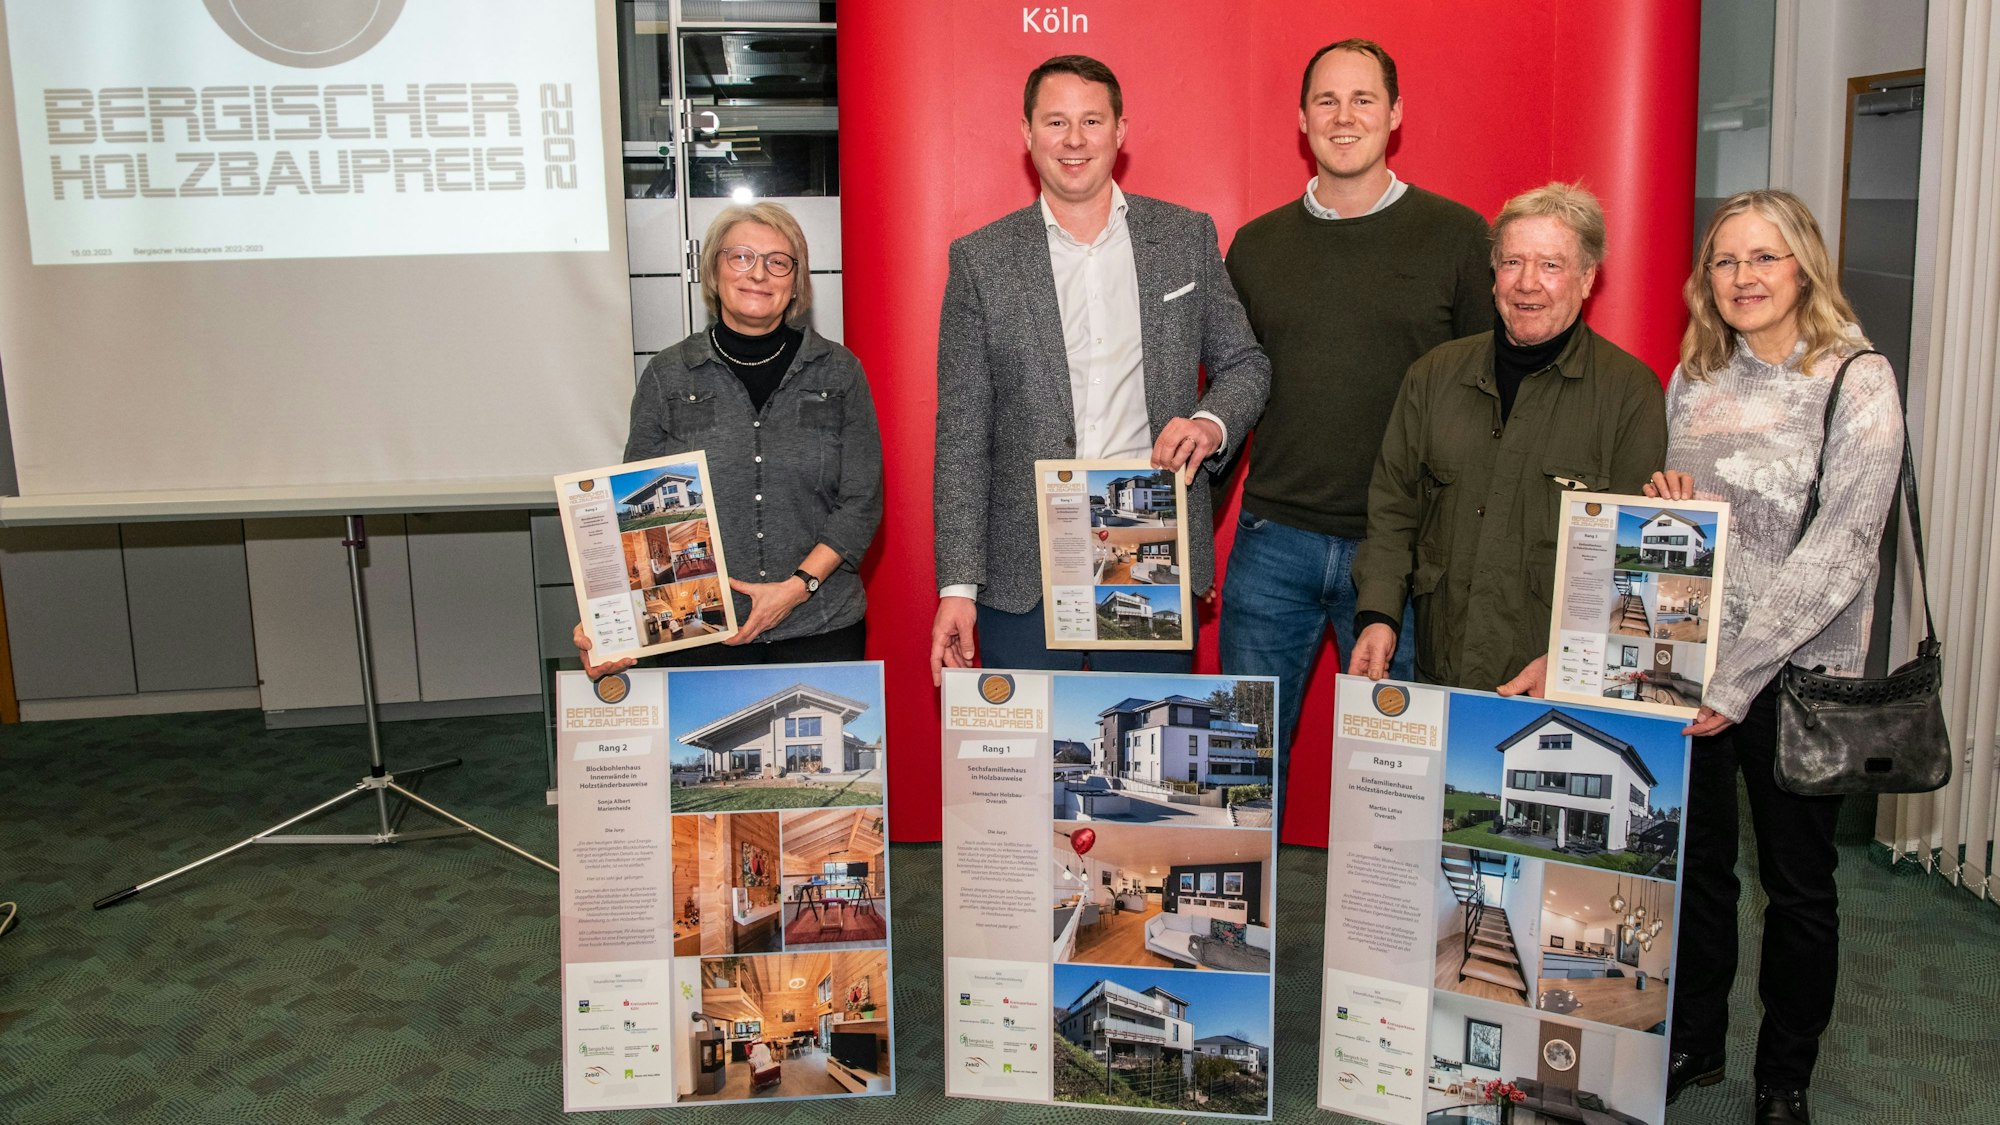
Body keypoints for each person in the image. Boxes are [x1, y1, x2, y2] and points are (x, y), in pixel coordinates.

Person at [1649, 189, 1902, 1125]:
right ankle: (1696, 1041)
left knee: (1798, 887)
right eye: (1725, 261)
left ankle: (1785, 1074)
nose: (1743, 277)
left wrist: (1739, 679)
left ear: (1804, 266)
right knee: (1701, 869)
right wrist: (1669, 499)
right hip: (1695, 669)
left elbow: (1842, 550)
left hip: (1796, 679)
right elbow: (1703, 521)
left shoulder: (1855, 376)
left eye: (1763, 257)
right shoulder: (1694, 375)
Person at [928, 54, 1270, 682]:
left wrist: (1209, 423)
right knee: (1024, 770)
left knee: (1141, 759)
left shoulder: (1184, 236)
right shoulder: (980, 259)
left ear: (1120, 131)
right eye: (1056, 122)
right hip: (1021, 568)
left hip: (1146, 544)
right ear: (1027, 134)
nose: (1075, 140)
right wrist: (958, 585)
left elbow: (1245, 364)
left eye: (1092, 120)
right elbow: (963, 436)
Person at [1219, 37, 1493, 801]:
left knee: (1398, 785)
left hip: (1402, 556)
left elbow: (1489, 399)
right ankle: (1235, 924)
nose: (1345, 118)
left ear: (1396, 114)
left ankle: (1392, 927)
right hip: (1273, 547)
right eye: (1327, 101)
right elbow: (1230, 401)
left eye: (1364, 99)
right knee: (1239, 776)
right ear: (1302, 120)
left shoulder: (1459, 237)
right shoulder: (1255, 247)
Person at [1349, 182, 1664, 691]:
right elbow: (1392, 511)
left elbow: (1629, 566)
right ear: (1493, 275)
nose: (1527, 283)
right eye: (1513, 262)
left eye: (1551, 266)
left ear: (1587, 279)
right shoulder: (1434, 375)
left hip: (1552, 684)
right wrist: (1378, 615)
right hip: (1438, 673)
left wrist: (1566, 660)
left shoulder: (1630, 394)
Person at [577, 202, 882, 678]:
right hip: (696, 629)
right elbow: (636, 514)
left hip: (819, 624)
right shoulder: (667, 375)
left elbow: (861, 501)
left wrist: (797, 587)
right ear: (714, 271)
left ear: (795, 280)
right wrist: (611, 618)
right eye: (740, 256)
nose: (759, 273)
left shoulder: (840, 372)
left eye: (778, 261)